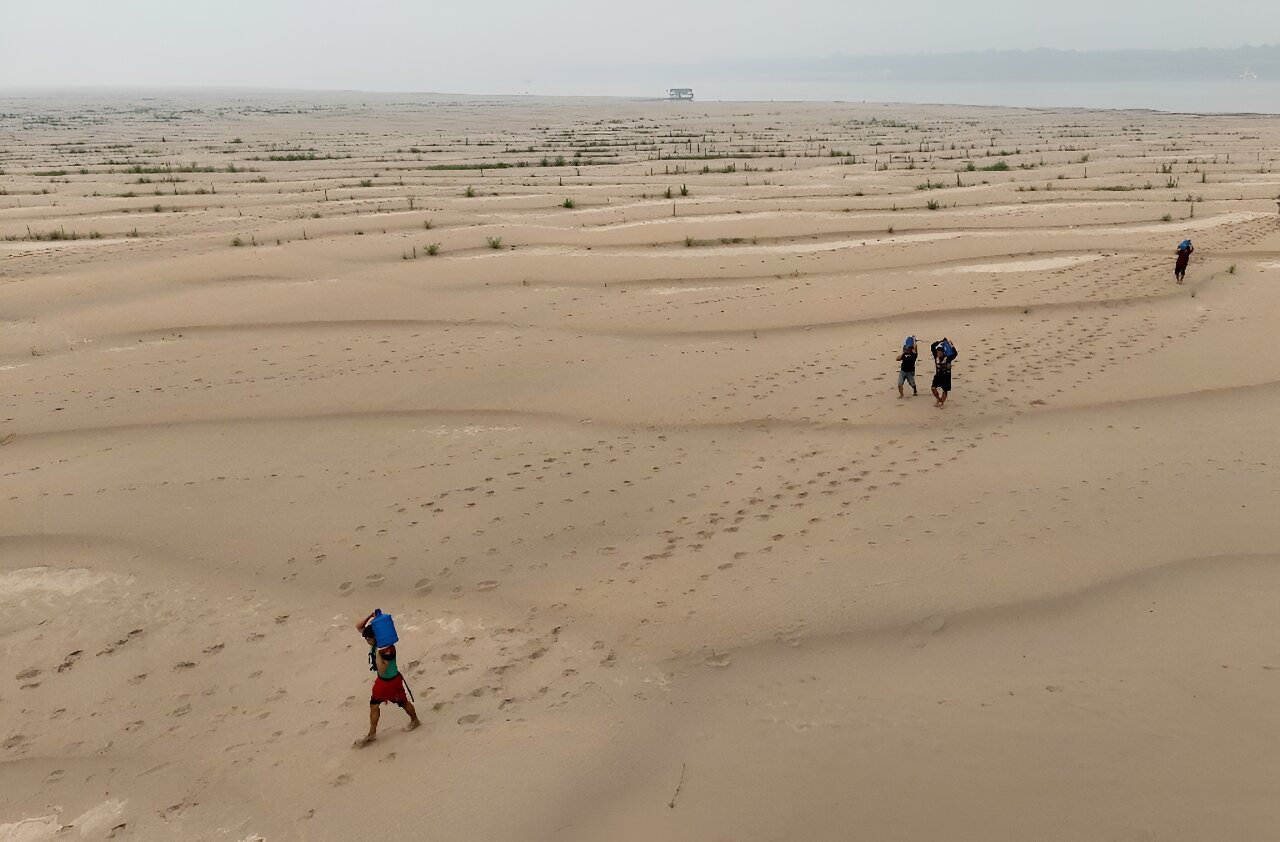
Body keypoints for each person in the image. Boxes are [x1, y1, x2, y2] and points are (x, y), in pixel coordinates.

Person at [354, 609, 420, 747]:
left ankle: (413, 721)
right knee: (381, 704)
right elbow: (359, 627)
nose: (367, 641)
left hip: (388, 682)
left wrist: (378, 653)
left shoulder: (387, 650)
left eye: (368, 639)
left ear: (375, 638)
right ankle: (413, 720)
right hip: (387, 681)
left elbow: (382, 668)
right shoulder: (377, 642)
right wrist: (370, 616)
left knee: (396, 703)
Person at [930, 338, 957, 408]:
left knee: (945, 391)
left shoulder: (948, 358)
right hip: (938, 375)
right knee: (933, 388)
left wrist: (951, 345)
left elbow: (955, 353)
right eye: (937, 352)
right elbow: (932, 346)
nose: (938, 353)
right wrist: (941, 341)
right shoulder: (935, 356)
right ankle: (938, 399)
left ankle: (942, 403)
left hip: (946, 376)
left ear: (943, 352)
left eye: (940, 352)